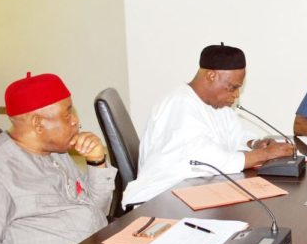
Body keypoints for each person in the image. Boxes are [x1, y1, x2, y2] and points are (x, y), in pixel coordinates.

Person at [123, 43, 294, 208]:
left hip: (193, 191)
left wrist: (254, 144)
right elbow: (213, 160)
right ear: (212, 76)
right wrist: (265, 154)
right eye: (232, 87)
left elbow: (232, 136)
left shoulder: (215, 103)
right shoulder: (180, 105)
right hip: (160, 200)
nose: (235, 95)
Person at [0, 73, 117, 244]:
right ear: (38, 124)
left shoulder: (57, 152)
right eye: (67, 114)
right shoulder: (1, 171)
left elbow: (97, 210)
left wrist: (96, 162)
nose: (76, 121)